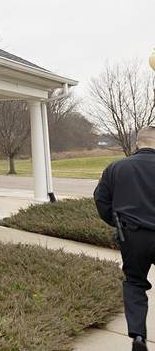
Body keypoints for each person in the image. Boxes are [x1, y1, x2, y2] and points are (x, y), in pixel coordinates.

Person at [94, 126, 155, 351]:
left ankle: (138, 337)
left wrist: (117, 223)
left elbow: (101, 200)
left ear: (138, 143)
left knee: (135, 284)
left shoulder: (116, 167)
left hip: (132, 236)